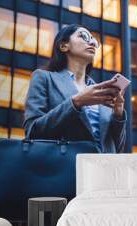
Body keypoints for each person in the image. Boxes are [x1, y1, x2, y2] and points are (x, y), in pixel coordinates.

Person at [23, 24, 127, 153]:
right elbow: (33, 132)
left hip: (103, 170)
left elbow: (117, 147)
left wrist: (118, 115)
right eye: (84, 36)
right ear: (64, 46)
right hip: (66, 167)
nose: (93, 43)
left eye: (94, 40)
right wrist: (76, 102)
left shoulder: (101, 92)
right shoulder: (44, 78)